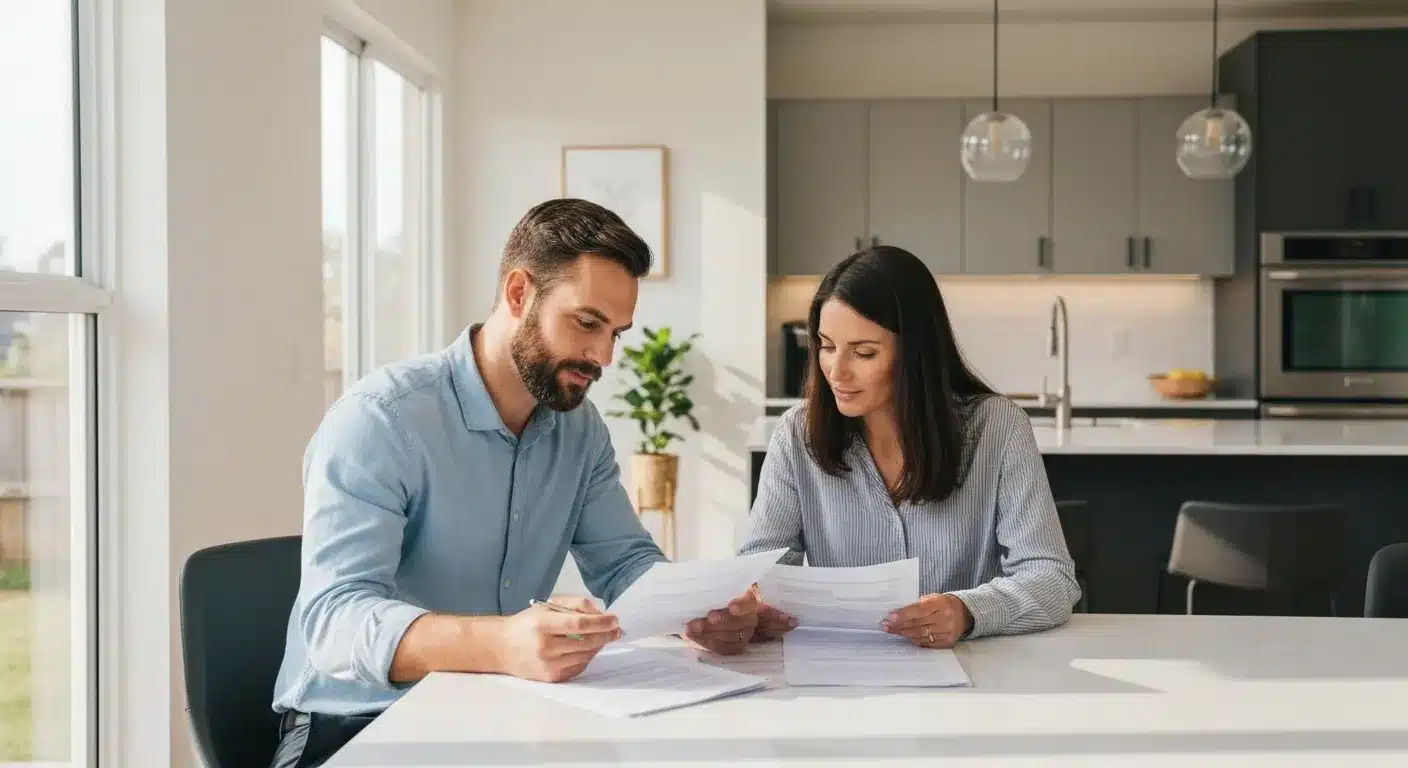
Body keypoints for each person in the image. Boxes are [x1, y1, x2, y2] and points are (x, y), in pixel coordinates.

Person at [269, 199, 759, 768]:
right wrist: (503, 643)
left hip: (495, 715)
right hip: (354, 724)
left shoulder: (578, 430)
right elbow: (334, 621)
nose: (602, 355)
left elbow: (626, 566)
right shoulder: (382, 419)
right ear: (520, 293)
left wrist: (699, 614)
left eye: (616, 334)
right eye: (586, 323)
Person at [740, 245, 1080, 648]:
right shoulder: (796, 435)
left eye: (864, 352)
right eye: (827, 346)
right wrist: (753, 604)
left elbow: (1051, 579)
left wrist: (967, 611)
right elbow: (760, 570)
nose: (836, 371)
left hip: (977, 679)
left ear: (915, 354)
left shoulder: (997, 428)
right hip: (845, 678)